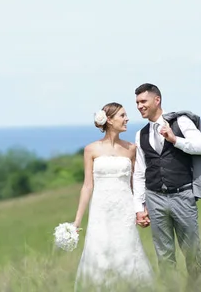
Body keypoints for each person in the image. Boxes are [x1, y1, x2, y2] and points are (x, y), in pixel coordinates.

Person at [132, 83, 201, 287]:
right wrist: (139, 207)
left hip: (182, 195)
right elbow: (140, 172)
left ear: (157, 100)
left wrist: (175, 140)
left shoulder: (180, 121)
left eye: (143, 101)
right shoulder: (140, 135)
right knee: (164, 255)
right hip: (154, 197)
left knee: (192, 251)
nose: (139, 106)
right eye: (137, 103)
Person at [73, 102, 154, 291]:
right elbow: (87, 186)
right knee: (100, 252)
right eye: (122, 116)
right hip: (100, 211)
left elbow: (136, 183)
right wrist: (77, 221)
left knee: (126, 250)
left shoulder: (131, 149)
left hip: (124, 209)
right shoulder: (91, 150)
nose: (127, 119)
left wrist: (141, 209)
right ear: (109, 120)